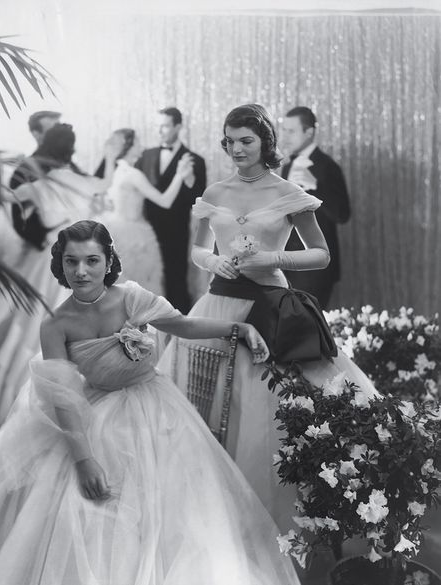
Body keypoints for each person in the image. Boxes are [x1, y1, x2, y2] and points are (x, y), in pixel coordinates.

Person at [0, 220, 300, 585]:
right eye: (71, 261)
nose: (81, 271)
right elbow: (63, 397)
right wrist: (84, 460)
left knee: (174, 512)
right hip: (95, 414)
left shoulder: (131, 298)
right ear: (60, 265)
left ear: (108, 262)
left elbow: (184, 326)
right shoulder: (55, 325)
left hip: (157, 410)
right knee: (81, 509)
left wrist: (241, 328)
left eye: (92, 260)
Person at [157, 104, 379, 533]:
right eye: (230, 141)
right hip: (218, 304)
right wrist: (213, 262)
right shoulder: (216, 192)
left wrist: (271, 257)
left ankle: (260, 517)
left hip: (269, 306)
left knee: (262, 415)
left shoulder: (287, 192)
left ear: (265, 143)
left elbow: (321, 253)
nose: (236, 149)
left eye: (246, 140)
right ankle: (206, 508)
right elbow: (198, 249)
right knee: (205, 401)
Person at [0, 124, 120, 429]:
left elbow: (8, 196)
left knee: (35, 328)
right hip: (84, 258)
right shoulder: (81, 179)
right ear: (71, 149)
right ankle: (87, 403)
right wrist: (111, 153)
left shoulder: (39, 184)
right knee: (85, 324)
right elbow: (104, 183)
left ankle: (25, 407)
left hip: (51, 257)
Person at [97, 128, 194, 295]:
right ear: (128, 146)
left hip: (114, 231)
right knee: (139, 288)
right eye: (137, 142)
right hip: (134, 236)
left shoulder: (115, 172)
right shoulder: (133, 175)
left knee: (120, 287)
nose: (141, 145)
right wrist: (179, 174)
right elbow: (165, 201)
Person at [135, 107, 207, 313]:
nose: (160, 131)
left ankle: (179, 333)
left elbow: (198, 199)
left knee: (175, 282)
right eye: (157, 126)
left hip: (176, 232)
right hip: (145, 233)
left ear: (178, 127)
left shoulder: (195, 160)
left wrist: (189, 179)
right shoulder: (145, 156)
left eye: (165, 126)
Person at [281, 106, 351, 309]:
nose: (285, 136)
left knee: (310, 328)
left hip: (315, 265)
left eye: (291, 131)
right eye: (284, 130)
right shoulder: (286, 166)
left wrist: (316, 187)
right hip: (286, 262)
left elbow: (342, 214)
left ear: (309, 132)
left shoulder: (328, 166)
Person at [10, 110, 62, 250]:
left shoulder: (69, 165)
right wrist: (46, 240)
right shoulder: (23, 171)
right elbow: (19, 220)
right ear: (36, 134)